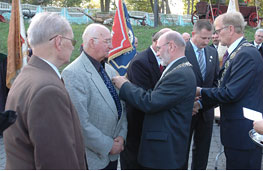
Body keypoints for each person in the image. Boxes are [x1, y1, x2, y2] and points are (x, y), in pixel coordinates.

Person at [3, 12, 87, 169]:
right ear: (58, 42)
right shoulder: (48, 90)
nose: (73, 46)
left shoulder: (29, 74)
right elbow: (57, 162)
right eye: (72, 41)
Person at [113, 31, 196, 169]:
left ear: (171, 46)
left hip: (164, 151)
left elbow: (150, 102)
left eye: (159, 48)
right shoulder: (179, 69)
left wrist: (125, 85)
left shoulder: (180, 74)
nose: (157, 53)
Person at [195, 12, 263, 169]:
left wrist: (200, 91)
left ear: (231, 29)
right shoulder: (239, 52)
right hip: (238, 131)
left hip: (244, 133)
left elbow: (230, 93)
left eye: (218, 31)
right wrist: (200, 104)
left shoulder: (246, 54)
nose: (216, 35)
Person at [62, 23, 127, 170]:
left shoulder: (110, 70)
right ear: (92, 42)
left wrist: (122, 136)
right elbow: (79, 123)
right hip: (93, 159)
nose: (111, 46)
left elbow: (122, 107)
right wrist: (109, 146)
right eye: (107, 41)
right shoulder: (73, 73)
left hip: (113, 154)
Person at [120, 28, 171, 170]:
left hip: (152, 127)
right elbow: (142, 97)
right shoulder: (140, 62)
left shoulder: (164, 60)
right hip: (138, 126)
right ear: (155, 42)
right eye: (167, 43)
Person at [184, 20, 219, 169]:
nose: (206, 41)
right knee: (182, 150)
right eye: (203, 38)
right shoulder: (182, 51)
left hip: (206, 111)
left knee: (203, 151)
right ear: (193, 34)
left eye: (209, 38)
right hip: (185, 112)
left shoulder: (213, 52)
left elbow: (215, 83)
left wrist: (202, 104)